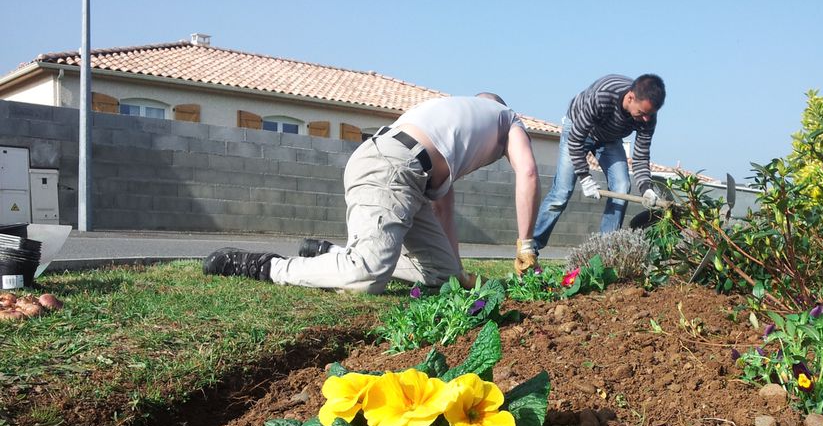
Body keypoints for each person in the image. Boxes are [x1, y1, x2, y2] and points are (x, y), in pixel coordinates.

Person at [203, 93, 541, 292]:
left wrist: (457, 271)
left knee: (442, 278)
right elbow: (527, 171)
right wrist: (526, 246)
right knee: (367, 277)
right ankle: (266, 266)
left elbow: (443, 206)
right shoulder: (507, 119)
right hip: (390, 167)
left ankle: (328, 252)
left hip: (408, 173)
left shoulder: (450, 120)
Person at [532, 74, 666, 250]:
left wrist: (645, 188)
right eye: (641, 113)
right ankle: (531, 247)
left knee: (622, 186)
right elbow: (575, 141)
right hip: (578, 131)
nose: (646, 120)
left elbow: (641, 156)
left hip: (610, 139)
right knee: (562, 192)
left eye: (650, 114)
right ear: (630, 97)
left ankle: (604, 252)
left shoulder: (648, 117)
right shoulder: (602, 96)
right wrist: (585, 177)